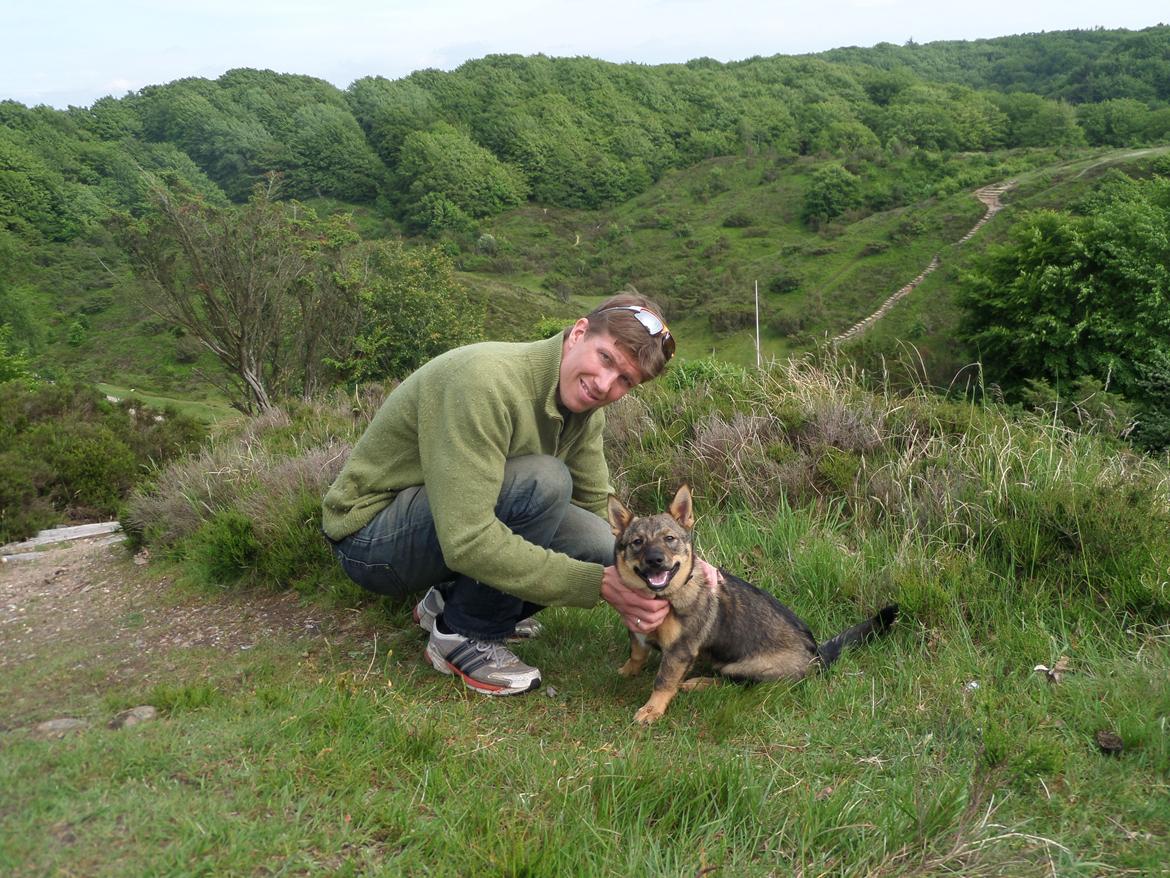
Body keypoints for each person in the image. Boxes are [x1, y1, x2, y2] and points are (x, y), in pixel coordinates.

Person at [322, 289, 715, 696]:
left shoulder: (582, 410)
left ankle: (449, 602)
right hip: (370, 539)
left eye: (624, 380)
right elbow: (466, 540)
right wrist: (596, 584)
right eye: (606, 358)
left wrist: (691, 574)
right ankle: (464, 634)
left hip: (437, 520)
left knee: (603, 546)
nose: (604, 385)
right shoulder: (484, 382)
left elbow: (601, 509)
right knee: (544, 483)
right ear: (579, 332)